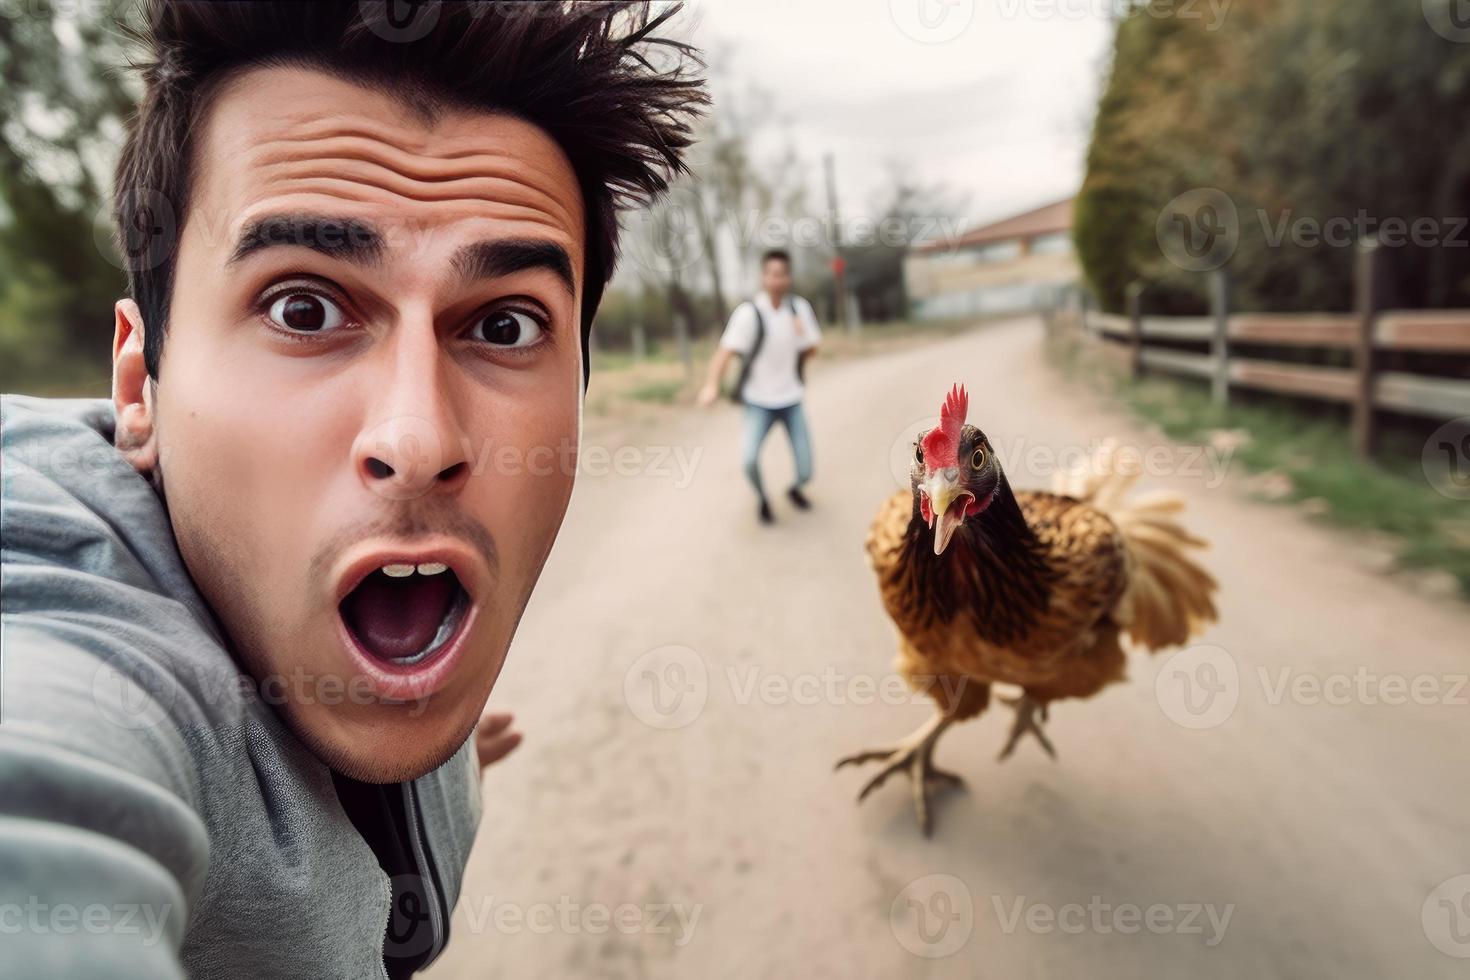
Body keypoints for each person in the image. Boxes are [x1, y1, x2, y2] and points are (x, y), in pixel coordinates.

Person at [0, 3, 703, 977]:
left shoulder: (360, 620)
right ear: (138, 385)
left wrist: (432, 771)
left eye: (503, 326)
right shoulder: (68, 639)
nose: (418, 439)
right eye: (304, 307)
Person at [696, 249, 823, 524]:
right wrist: (711, 385)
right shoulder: (748, 313)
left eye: (783, 274)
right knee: (749, 459)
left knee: (806, 469)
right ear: (764, 277)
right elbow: (724, 352)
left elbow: (812, 350)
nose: (777, 280)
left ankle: (795, 488)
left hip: (791, 399)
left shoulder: (799, 309)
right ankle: (763, 498)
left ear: (789, 278)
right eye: (772, 274)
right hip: (758, 402)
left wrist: (802, 335)